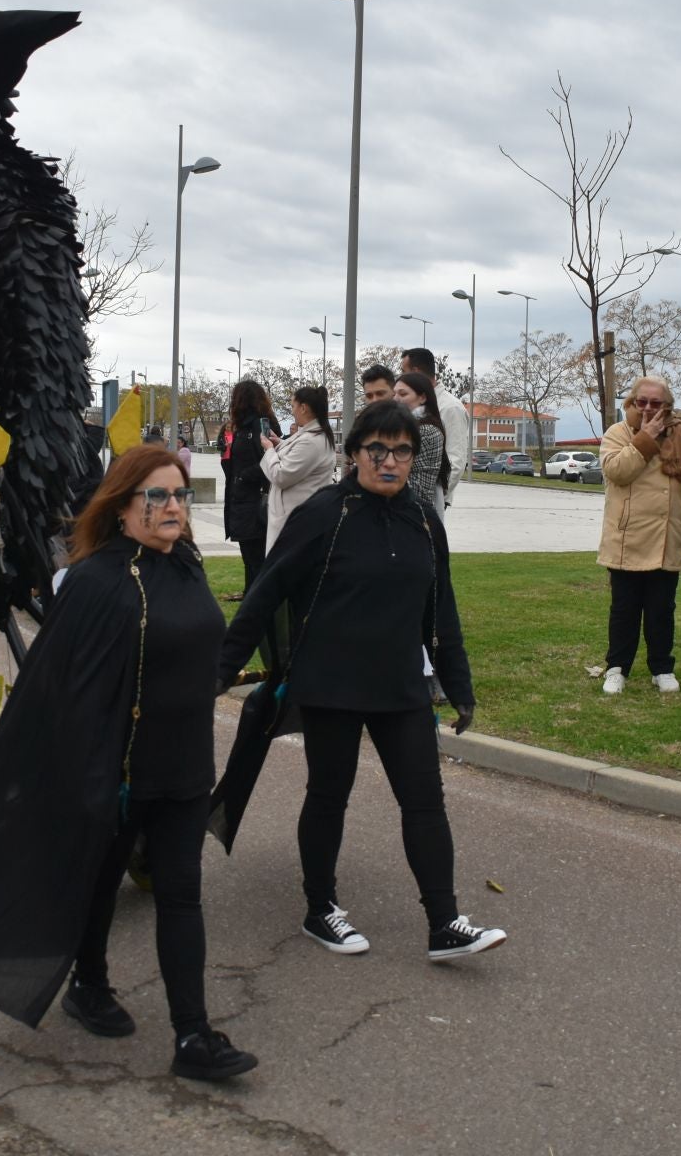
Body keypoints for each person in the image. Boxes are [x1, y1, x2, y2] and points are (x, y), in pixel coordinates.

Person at [0, 444, 258, 1081]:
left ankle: (192, 1036)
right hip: (120, 772)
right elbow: (61, 680)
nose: (171, 507)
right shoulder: (98, 579)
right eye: (155, 496)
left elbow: (193, 647)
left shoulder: (184, 565)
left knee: (182, 896)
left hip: (185, 767)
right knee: (99, 882)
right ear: (123, 506)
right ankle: (89, 983)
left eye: (180, 495)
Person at [216, 399, 506, 964]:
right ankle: (319, 907)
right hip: (331, 684)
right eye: (378, 449)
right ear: (354, 454)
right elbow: (266, 593)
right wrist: (221, 668)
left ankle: (444, 922)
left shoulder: (423, 518)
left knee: (425, 800)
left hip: (401, 685)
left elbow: (440, 610)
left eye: (401, 450)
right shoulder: (325, 514)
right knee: (329, 794)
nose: (390, 461)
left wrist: (458, 685)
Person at [593, 375, 681, 694]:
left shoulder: (679, 435)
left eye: (657, 403)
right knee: (624, 609)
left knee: (661, 610)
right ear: (632, 403)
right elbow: (617, 471)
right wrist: (646, 438)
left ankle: (662, 668)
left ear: (668, 406)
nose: (649, 409)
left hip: (667, 536)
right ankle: (617, 668)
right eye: (643, 402)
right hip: (628, 537)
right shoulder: (617, 433)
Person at [259, 385, 336, 550]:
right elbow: (295, 454)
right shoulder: (311, 435)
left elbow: (281, 475)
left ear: (303, 408)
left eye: (293, 406)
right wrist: (278, 443)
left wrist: (269, 449)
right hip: (296, 519)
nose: (292, 412)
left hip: (295, 522)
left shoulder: (311, 441)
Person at [220, 380, 277, 587]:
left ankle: (259, 610)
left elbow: (270, 458)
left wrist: (243, 476)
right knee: (251, 559)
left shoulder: (259, 424)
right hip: (242, 500)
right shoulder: (243, 427)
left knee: (256, 559)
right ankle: (250, 600)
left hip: (253, 502)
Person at [400, 347, 468, 504]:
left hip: (429, 501)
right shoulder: (411, 405)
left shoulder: (451, 408)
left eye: (404, 371)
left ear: (415, 372)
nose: (401, 377)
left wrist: (432, 498)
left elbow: (456, 462)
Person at [392, 371, 450, 515]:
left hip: (412, 512)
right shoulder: (408, 426)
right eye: (394, 394)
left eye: (403, 394)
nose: (395, 399)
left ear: (423, 397)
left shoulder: (425, 431)